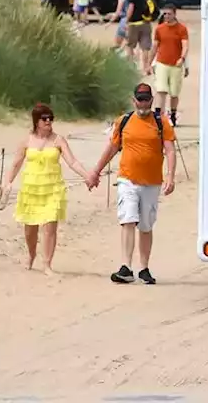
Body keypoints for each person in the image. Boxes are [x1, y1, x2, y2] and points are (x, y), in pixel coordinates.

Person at [88, 84, 176, 285]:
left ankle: (144, 268)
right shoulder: (124, 121)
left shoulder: (161, 122)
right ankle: (125, 267)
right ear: (133, 100)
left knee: (145, 225)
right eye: (140, 99)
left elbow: (170, 150)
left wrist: (170, 177)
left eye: (146, 99)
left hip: (152, 182)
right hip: (127, 179)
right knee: (128, 218)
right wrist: (96, 171)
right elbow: (112, 147)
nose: (143, 103)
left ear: (151, 100)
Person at [2, 104, 92, 275]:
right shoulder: (27, 140)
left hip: (53, 188)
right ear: (36, 121)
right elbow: (16, 164)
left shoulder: (58, 140)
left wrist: (87, 176)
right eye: (44, 118)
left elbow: (72, 162)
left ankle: (47, 264)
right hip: (31, 188)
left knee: (50, 226)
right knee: (30, 229)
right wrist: (7, 182)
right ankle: (31, 255)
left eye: (51, 118)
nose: (48, 121)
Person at [148, 2, 190, 126]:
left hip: (176, 64)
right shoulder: (160, 29)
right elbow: (155, 46)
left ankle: (172, 114)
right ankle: (158, 115)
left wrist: (182, 59)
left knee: (174, 92)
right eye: (164, 14)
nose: (166, 16)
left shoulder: (181, 29)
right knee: (161, 90)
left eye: (169, 14)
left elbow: (185, 45)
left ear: (174, 14)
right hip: (162, 62)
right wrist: (149, 63)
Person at [125, 0, 158, 69]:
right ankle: (145, 68)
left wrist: (126, 21)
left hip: (134, 24)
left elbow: (131, 9)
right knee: (145, 48)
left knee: (130, 46)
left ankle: (131, 67)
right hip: (146, 23)